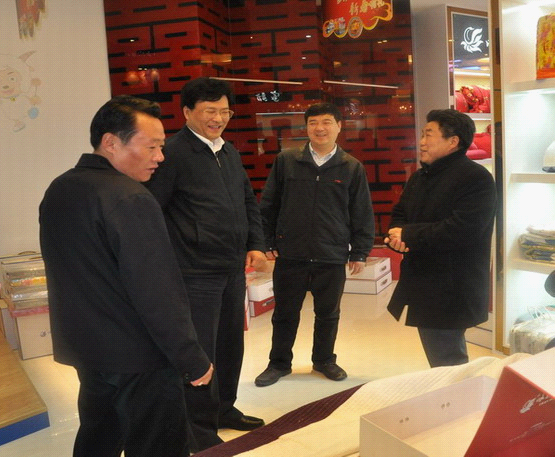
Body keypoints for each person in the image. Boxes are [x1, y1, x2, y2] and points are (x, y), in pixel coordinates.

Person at [39, 95, 213, 457]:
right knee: (157, 444)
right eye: (151, 146)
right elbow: (157, 291)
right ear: (111, 142)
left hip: (89, 347)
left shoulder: (60, 188)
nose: (160, 157)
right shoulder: (130, 198)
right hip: (138, 354)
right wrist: (190, 357)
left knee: (99, 435)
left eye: (161, 147)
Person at [145, 76, 267, 452]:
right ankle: (198, 428)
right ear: (187, 112)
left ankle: (224, 408)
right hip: (194, 273)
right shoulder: (172, 153)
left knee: (230, 344)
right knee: (201, 352)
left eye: (225, 111)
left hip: (231, 268)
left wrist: (256, 244)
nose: (218, 118)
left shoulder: (228, 152)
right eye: (210, 111)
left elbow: (247, 201)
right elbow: (152, 211)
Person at [254, 102, 375, 387]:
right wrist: (267, 240)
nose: (320, 128)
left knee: (328, 314)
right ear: (306, 127)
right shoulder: (287, 160)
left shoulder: (351, 166)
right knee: (284, 314)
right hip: (291, 252)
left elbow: (361, 211)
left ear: (339, 126)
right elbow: (269, 204)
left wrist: (359, 251)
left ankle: (324, 360)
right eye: (313, 123)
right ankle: (278, 363)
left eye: (326, 122)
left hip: (331, 253)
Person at [384, 108, 497, 368]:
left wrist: (407, 234)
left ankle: (458, 394)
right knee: (441, 356)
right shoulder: (421, 176)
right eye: (422, 135)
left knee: (448, 360)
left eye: (429, 135)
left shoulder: (476, 178)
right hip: (424, 281)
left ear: (453, 141)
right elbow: (400, 214)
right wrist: (396, 235)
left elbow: (462, 229)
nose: (421, 142)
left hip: (453, 285)